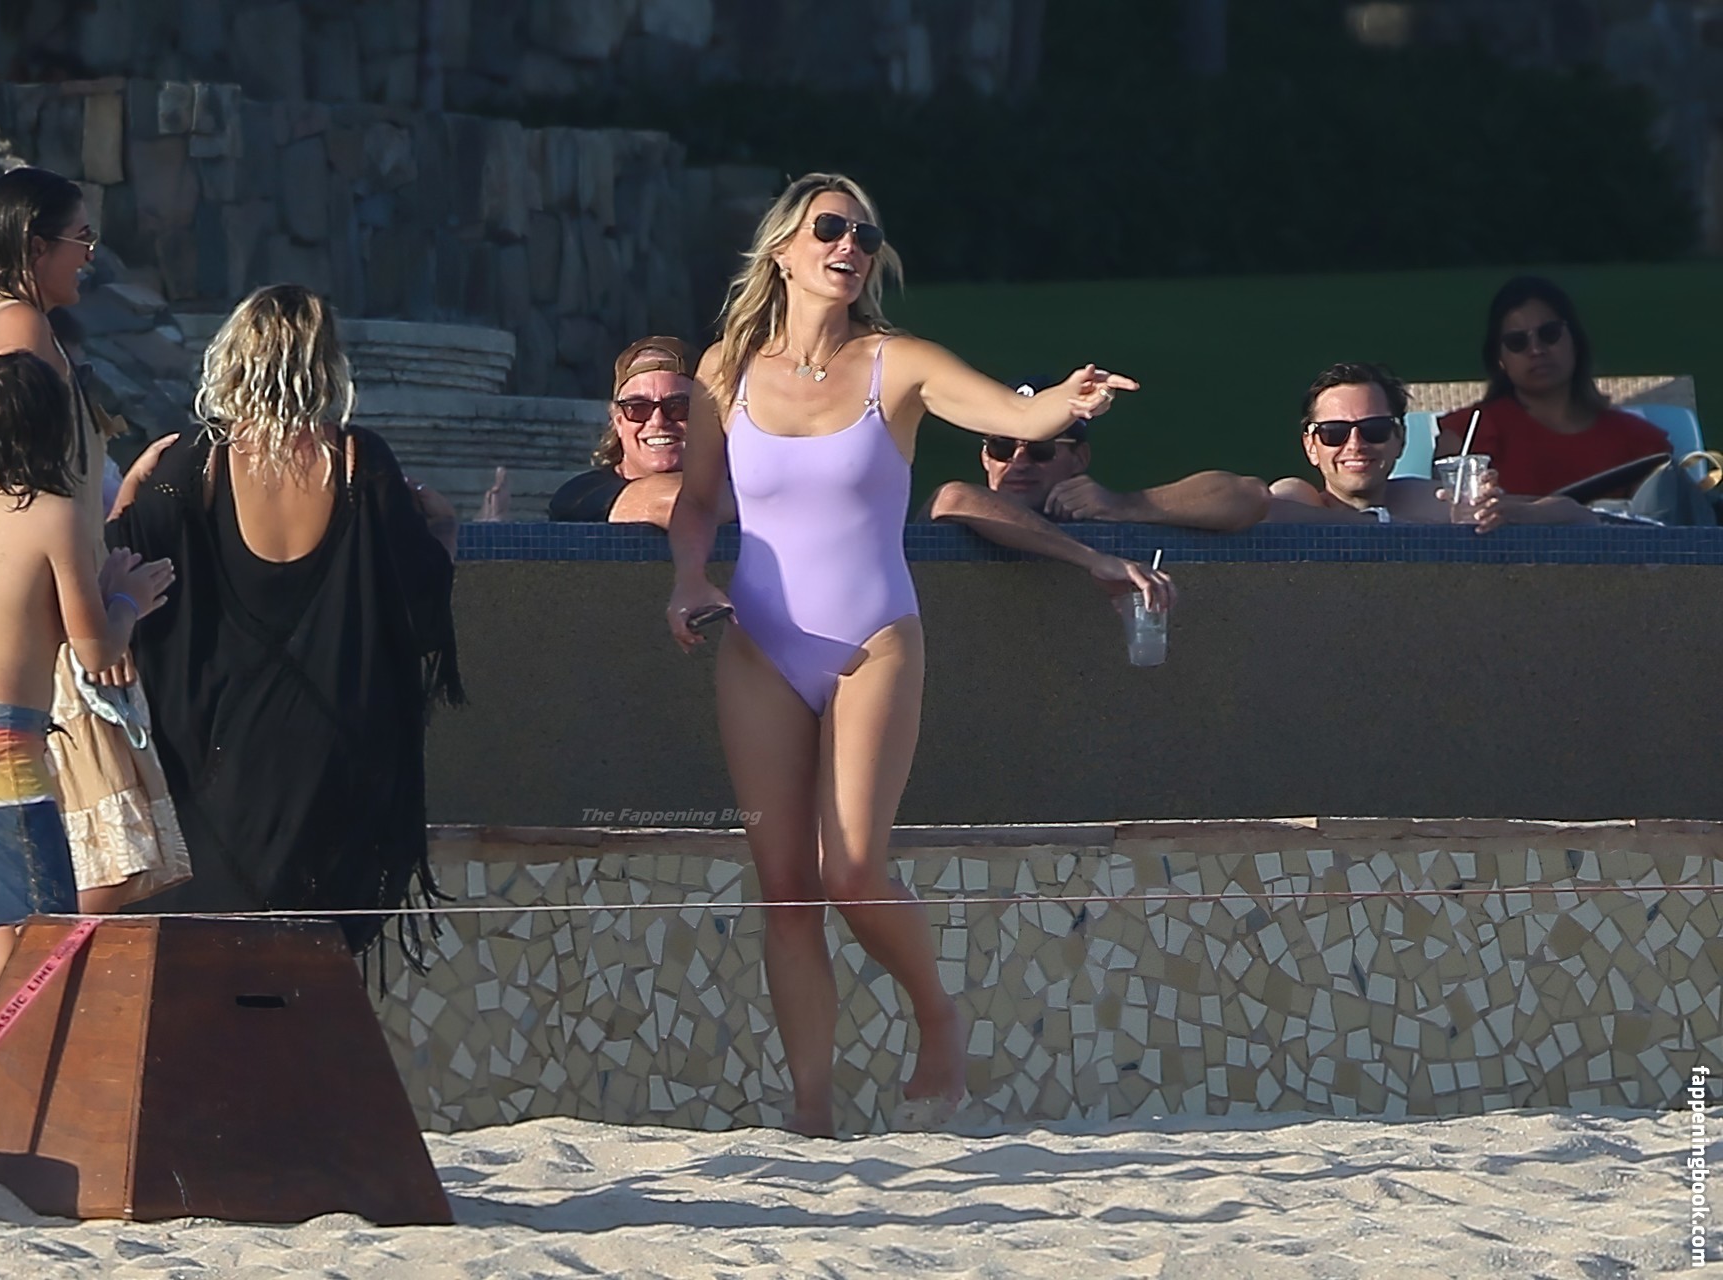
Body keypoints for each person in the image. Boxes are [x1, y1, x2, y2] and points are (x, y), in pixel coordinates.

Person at [664, 173, 1174, 1137]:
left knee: (853, 869)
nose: (849, 246)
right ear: (783, 249)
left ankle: (938, 1018)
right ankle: (811, 1113)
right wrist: (689, 578)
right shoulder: (725, 368)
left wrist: (1067, 400)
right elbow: (695, 502)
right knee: (785, 890)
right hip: (759, 643)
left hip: (874, 638)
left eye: (864, 235)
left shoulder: (895, 364)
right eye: (829, 228)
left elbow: (1014, 418)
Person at [0, 166, 190, 950]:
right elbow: (26, 477)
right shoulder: (16, 330)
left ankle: (5, 1011)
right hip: (23, 671)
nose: (89, 253)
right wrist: (112, 608)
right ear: (35, 244)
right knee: (82, 876)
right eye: (80, 237)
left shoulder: (14, 324)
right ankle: (28, 1007)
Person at [108, 285, 464, 961]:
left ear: (234, 357)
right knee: (311, 965)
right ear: (325, 363)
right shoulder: (361, 461)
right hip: (329, 758)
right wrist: (445, 528)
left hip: (215, 757)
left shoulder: (192, 462)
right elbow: (419, 596)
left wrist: (132, 483)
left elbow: (119, 562)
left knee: (207, 963)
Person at [0, 352, 174, 1056]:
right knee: (25, 954)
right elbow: (95, 651)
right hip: (0, 754)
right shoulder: (54, 515)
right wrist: (128, 598)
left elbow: (16, 616)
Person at [925, 377, 1268, 566]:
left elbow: (1249, 496)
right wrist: (1092, 559)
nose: (1019, 462)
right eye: (1001, 447)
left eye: (1041, 448)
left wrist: (1123, 506)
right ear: (985, 458)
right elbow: (954, 498)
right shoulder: (962, 511)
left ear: (1079, 458)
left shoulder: (1099, 511)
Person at [1268, 362, 1595, 528]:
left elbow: (1576, 515)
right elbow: (1262, 509)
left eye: (1375, 429)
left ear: (1400, 439)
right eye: (1334, 432)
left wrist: (1509, 512)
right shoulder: (1301, 500)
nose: (1356, 444)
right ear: (1311, 446)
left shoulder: (1425, 501)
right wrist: (1377, 523)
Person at [1435, 276, 1670, 496]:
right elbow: (1449, 516)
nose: (1536, 350)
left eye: (1550, 333)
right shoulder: (1468, 436)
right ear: (1499, 359)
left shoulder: (1638, 441)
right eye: (1517, 342)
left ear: (1575, 341)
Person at [547, 337, 732, 529]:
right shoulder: (581, 495)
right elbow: (675, 506)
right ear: (618, 422)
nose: (658, 421)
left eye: (677, 406)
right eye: (638, 408)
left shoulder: (734, 486)